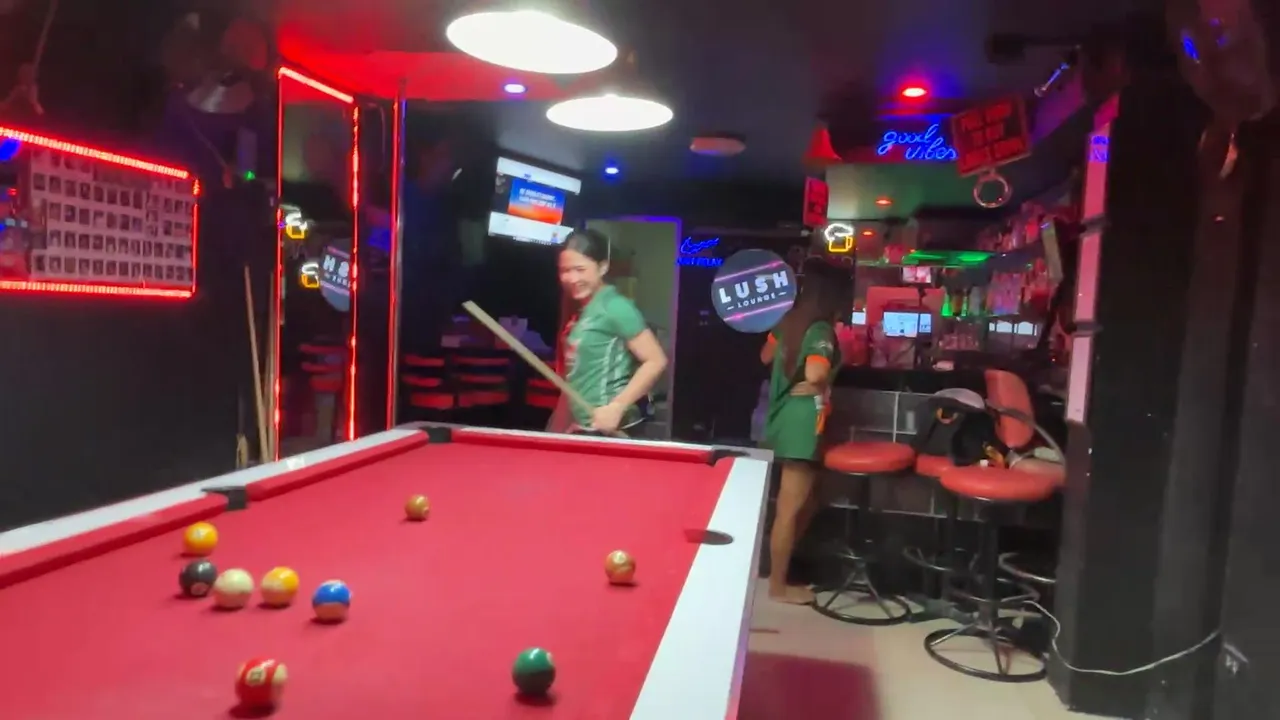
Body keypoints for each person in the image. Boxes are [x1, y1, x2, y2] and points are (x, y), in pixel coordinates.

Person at [760, 261, 852, 604]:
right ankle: (777, 585)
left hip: (782, 417)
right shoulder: (821, 330)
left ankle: (777, 567)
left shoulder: (787, 321)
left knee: (808, 502)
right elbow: (815, 373)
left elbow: (766, 355)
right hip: (802, 424)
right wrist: (817, 383)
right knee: (790, 508)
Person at [557, 228, 667, 435]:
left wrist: (617, 406)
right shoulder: (584, 310)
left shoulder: (615, 307)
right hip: (587, 427)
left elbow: (656, 361)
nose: (571, 278)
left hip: (616, 429)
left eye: (580, 269)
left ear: (602, 267)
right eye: (565, 270)